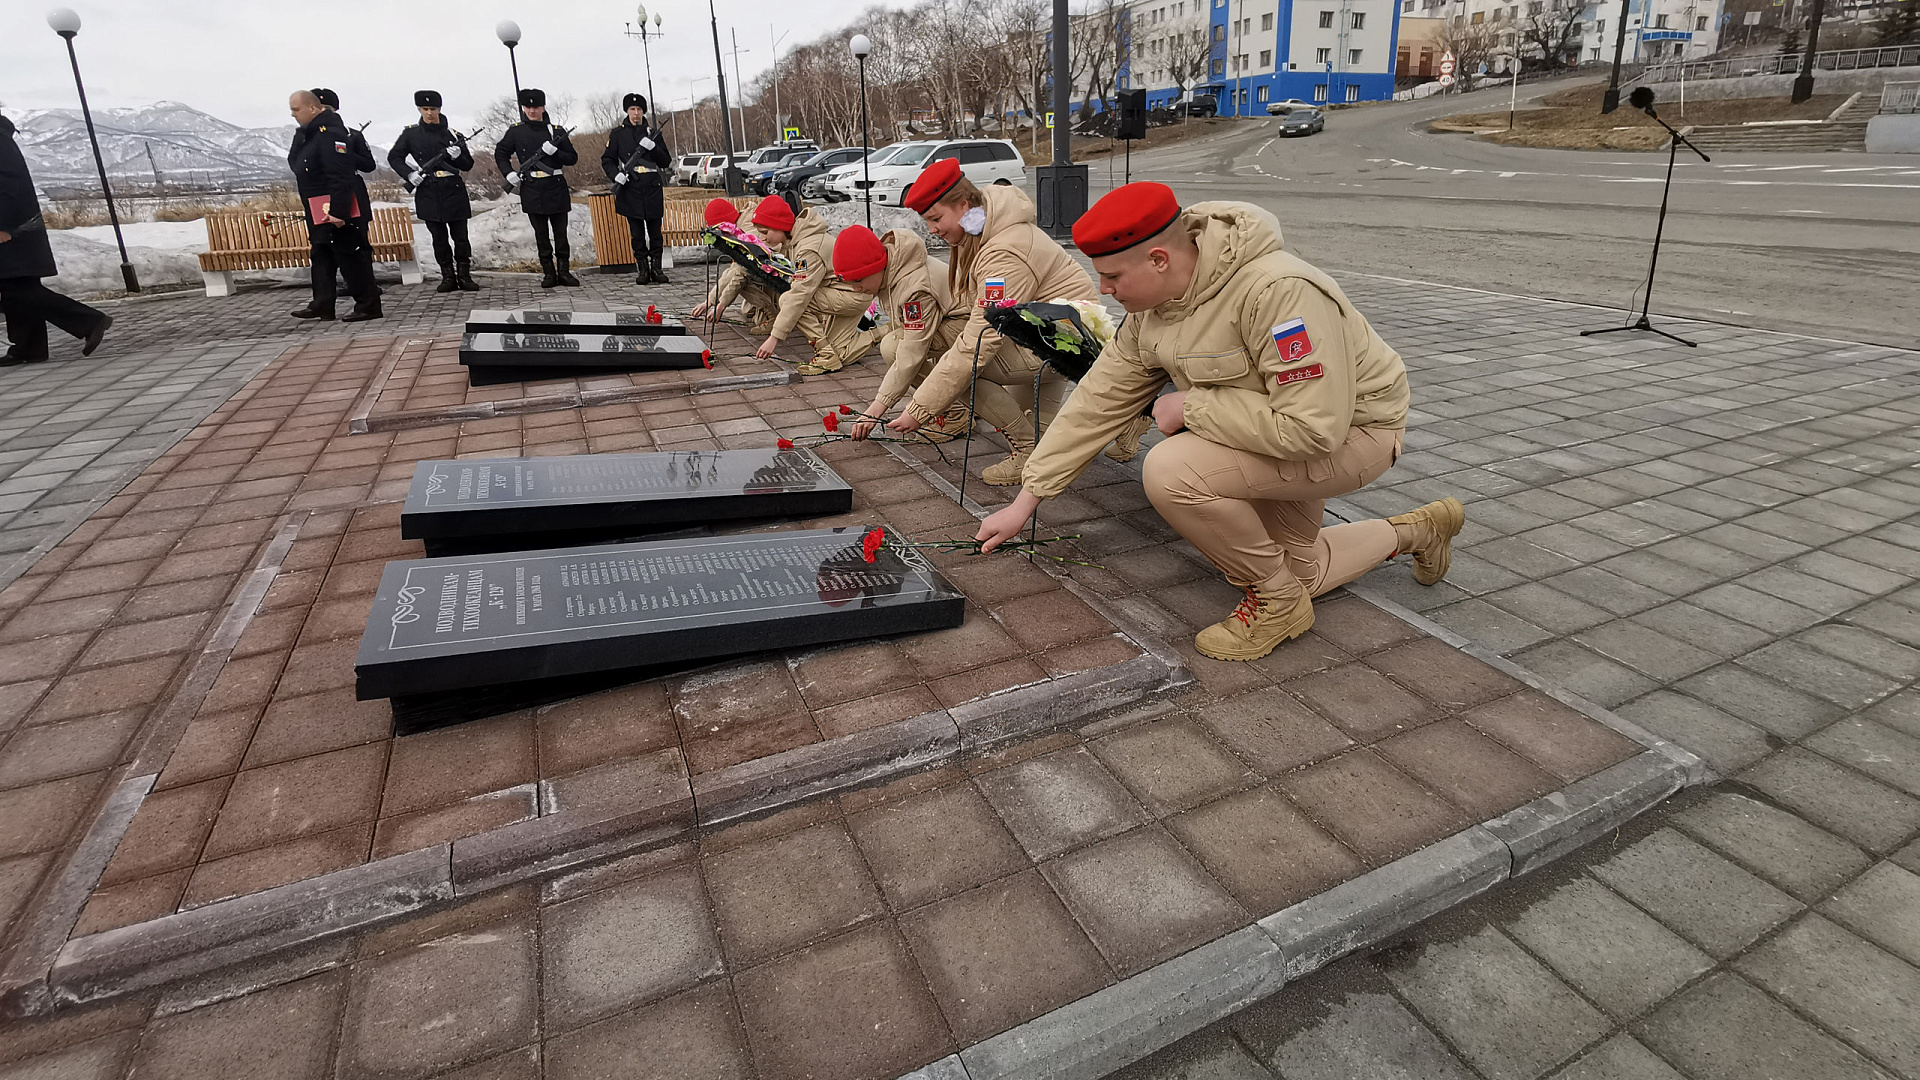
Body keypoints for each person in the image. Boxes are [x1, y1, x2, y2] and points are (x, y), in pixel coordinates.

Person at [976, 182, 1463, 662]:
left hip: (1353, 436)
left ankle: (1277, 602)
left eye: (1112, 276)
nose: (1103, 289)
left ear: (1160, 260)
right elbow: (1097, 401)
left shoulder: (1279, 291)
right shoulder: (1154, 306)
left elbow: (1313, 428)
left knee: (1172, 470)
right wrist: (1026, 503)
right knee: (1305, 571)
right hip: (1266, 439)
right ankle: (1420, 530)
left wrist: (1191, 407)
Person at [888, 157, 1152, 484]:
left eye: (936, 218)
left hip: (1063, 336)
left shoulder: (1003, 251)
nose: (932, 230)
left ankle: (1026, 452)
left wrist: (920, 408)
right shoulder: (982, 225)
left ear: (964, 205)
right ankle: (1131, 417)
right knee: (962, 358)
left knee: (964, 365)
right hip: (1055, 325)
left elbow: (980, 340)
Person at [834, 224, 972, 442]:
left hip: (969, 325)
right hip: (952, 320)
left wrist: (877, 408)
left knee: (895, 347)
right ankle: (955, 405)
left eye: (859, 280)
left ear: (877, 265)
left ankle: (955, 413)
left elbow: (912, 352)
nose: (856, 289)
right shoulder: (893, 269)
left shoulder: (913, 288)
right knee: (894, 344)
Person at [0, 111, 111, 366]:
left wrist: (3, 226)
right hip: (17, 228)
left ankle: (89, 320)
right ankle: (28, 348)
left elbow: (8, 187)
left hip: (12, 229)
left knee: (16, 289)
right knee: (18, 287)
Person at [286, 90, 381, 322]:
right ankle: (323, 304)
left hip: (333, 206)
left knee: (351, 255)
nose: (293, 115)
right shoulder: (307, 135)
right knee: (321, 253)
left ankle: (368, 305)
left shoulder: (331, 134)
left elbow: (340, 176)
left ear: (312, 108)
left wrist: (339, 211)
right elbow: (297, 164)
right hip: (317, 206)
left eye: (296, 109)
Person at [387, 90, 479, 293]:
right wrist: (410, 175)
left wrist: (456, 156)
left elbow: (467, 165)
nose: (429, 113)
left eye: (433, 109)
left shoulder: (453, 135)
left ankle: (464, 276)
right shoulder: (410, 134)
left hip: (453, 190)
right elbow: (395, 157)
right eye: (425, 109)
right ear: (419, 109)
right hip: (428, 190)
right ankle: (447, 276)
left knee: (461, 237)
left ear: (439, 109)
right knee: (439, 238)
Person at [494, 89, 579, 289]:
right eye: (528, 107)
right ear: (524, 108)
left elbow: (572, 158)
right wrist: (509, 173)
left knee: (560, 234)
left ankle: (564, 272)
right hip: (532, 188)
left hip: (555, 187)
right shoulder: (516, 131)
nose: (532, 111)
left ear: (543, 107)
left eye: (536, 106)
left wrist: (556, 151)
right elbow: (501, 153)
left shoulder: (556, 131)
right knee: (541, 235)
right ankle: (548, 273)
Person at [600, 93, 673, 286]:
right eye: (632, 109)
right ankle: (642, 269)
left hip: (651, 185)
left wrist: (653, 148)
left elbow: (665, 160)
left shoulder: (653, 133)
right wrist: (616, 175)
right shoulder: (617, 134)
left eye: (639, 109)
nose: (636, 113)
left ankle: (657, 269)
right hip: (630, 186)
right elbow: (607, 159)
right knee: (637, 233)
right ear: (627, 111)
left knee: (655, 232)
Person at [689, 198, 778, 333]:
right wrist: (710, 301)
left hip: (776, 271)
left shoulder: (748, 232)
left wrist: (721, 305)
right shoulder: (741, 223)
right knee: (744, 305)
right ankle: (763, 308)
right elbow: (732, 270)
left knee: (739, 275)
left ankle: (772, 316)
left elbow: (741, 272)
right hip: (767, 268)